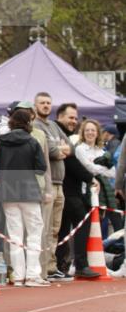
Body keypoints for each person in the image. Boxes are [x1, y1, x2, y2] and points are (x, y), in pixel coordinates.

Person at [0, 108, 48, 287]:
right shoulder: (32, 141)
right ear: (28, 123)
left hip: (8, 191)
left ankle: (18, 275)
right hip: (29, 190)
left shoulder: (1, 140)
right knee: (34, 232)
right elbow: (41, 167)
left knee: (14, 234)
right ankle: (33, 275)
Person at [56, 103, 101, 280]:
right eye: (70, 117)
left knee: (63, 230)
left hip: (68, 190)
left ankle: (61, 265)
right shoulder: (63, 137)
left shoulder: (67, 137)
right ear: (60, 116)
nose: (74, 121)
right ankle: (81, 264)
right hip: (67, 190)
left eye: (75, 118)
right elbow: (73, 164)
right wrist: (90, 178)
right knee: (83, 223)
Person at [34, 91, 71, 281]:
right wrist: (60, 149)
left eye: (48, 102)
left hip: (60, 184)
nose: (46, 106)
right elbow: (54, 152)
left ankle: (51, 265)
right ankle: (41, 268)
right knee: (45, 228)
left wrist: (61, 149)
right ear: (35, 105)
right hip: (47, 185)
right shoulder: (36, 127)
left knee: (55, 229)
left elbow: (68, 147)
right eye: (42, 103)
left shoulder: (55, 126)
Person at [75, 118, 117, 237]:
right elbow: (89, 169)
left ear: (97, 133)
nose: (90, 133)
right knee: (87, 225)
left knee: (99, 223)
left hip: (101, 192)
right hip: (84, 191)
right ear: (83, 133)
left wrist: (95, 166)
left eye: (93, 130)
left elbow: (113, 172)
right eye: (87, 130)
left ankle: (97, 251)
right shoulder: (80, 149)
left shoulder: (101, 151)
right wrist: (101, 168)